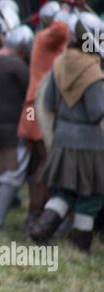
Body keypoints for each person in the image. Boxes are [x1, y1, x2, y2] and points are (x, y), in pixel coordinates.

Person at [29, 13, 104, 251]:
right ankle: (79, 242)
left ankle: (42, 228)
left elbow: (49, 100)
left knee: (65, 190)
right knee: (91, 194)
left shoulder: (60, 62)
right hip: (90, 143)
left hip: (62, 137)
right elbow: (97, 112)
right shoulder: (92, 72)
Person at [17, 1, 69, 232]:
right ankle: (36, 215)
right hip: (39, 109)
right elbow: (63, 30)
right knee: (46, 164)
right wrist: (68, 11)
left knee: (40, 163)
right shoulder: (47, 37)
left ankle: (36, 214)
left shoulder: (47, 39)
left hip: (39, 108)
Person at [0, 25, 34, 229]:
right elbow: (32, 93)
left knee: (0, 173)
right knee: (9, 175)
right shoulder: (16, 66)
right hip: (13, 128)